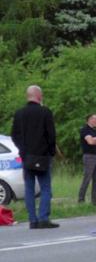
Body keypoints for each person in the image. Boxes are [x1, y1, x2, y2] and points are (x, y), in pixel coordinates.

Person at [11, 85, 59, 229]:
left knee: (29, 189)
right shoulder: (45, 112)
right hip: (43, 156)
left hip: (27, 157)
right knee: (45, 188)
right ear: (39, 96)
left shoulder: (19, 113)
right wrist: (50, 152)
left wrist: (23, 151)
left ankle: (33, 220)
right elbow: (51, 135)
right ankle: (44, 218)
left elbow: (15, 135)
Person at [78, 114, 96, 206]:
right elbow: (90, 142)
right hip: (89, 156)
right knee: (87, 178)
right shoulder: (84, 130)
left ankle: (94, 201)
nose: (95, 120)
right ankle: (81, 199)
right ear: (88, 120)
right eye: (93, 119)